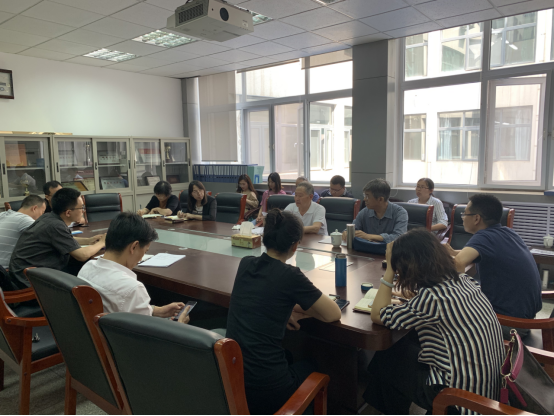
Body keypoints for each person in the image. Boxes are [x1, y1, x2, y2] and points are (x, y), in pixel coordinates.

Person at [365, 229, 504, 415]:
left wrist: (389, 271)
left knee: (386, 359)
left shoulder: (432, 298)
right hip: (486, 390)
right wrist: (415, 296)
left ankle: (373, 403)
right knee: (399, 348)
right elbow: (439, 303)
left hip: (459, 401)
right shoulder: (465, 280)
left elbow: (378, 314)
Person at [226, 209, 341, 415]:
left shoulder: (246, 264)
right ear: (295, 246)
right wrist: (302, 309)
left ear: (264, 238)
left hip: (235, 380)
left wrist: (285, 308)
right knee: (314, 365)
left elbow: (263, 298)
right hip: (269, 389)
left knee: (289, 355)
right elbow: (333, 313)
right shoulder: (290, 276)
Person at [445, 194, 542, 338]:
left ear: (476, 218)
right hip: (525, 318)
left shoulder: (483, 237)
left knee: (444, 315)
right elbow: (480, 252)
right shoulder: (508, 233)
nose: (463, 218)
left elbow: (458, 262)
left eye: (464, 214)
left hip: (508, 324)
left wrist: (460, 296)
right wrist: (453, 252)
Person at [78, 213, 190, 324]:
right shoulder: (132, 288)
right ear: (134, 246)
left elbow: (120, 307)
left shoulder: (86, 268)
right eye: (144, 251)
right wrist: (179, 325)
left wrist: (157, 311)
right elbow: (147, 334)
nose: (140, 259)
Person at [8, 188, 106, 291]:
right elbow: (82, 255)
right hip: (30, 282)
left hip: (25, 275)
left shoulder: (49, 217)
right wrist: (102, 242)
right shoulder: (55, 225)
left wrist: (88, 240)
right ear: (68, 213)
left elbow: (66, 238)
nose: (83, 211)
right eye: (81, 207)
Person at [343, 178, 407, 243]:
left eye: (367, 196)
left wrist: (368, 236)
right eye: (364, 195)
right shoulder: (364, 212)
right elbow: (353, 228)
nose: (364, 199)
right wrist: (347, 232)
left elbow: (399, 237)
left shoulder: (400, 213)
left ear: (380, 199)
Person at [0, 195, 46, 270]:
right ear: (34, 208)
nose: (41, 216)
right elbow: (46, 238)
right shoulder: (25, 220)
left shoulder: (3, 214)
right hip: (5, 271)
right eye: (42, 212)